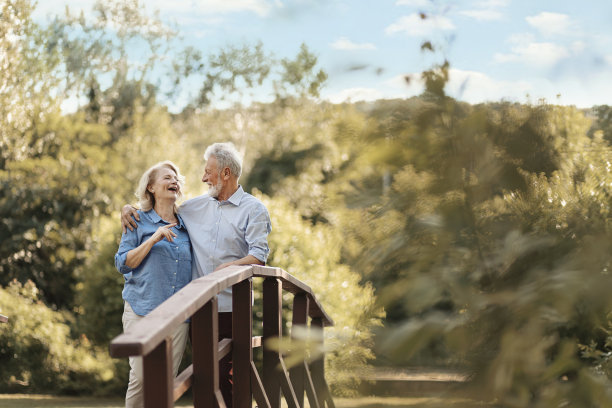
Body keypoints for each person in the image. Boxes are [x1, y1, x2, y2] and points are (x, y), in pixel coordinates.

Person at [121, 142, 272, 407]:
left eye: (208, 171)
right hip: (199, 309)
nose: (203, 178)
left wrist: (231, 267)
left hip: (232, 306)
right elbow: (159, 209)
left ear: (226, 173)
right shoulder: (193, 207)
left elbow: (259, 255)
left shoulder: (254, 208)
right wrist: (127, 208)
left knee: (230, 378)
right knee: (204, 379)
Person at [115, 161, 192, 408]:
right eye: (167, 177)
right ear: (150, 187)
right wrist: (154, 238)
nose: (174, 181)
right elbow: (123, 263)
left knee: (164, 383)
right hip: (141, 310)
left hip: (177, 317)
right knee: (142, 375)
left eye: (177, 178)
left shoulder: (189, 223)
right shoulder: (137, 219)